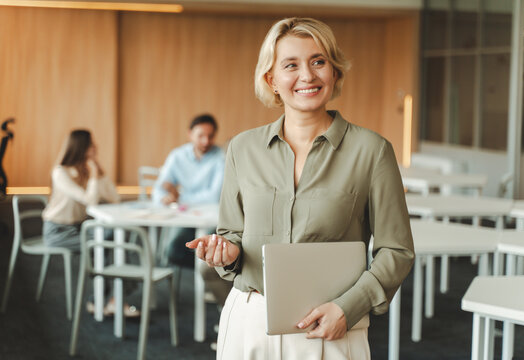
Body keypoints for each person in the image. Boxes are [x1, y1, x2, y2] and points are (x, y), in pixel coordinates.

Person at [187, 17, 415, 359]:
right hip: (250, 323)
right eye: (291, 65)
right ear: (272, 80)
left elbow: (396, 251)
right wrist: (225, 252)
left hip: (331, 328)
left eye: (318, 62)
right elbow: (232, 234)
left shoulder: (372, 151)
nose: (307, 76)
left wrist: (348, 308)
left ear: (334, 72)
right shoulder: (242, 149)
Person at [42, 129, 139, 317]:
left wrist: (99, 173)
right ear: (81, 147)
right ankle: (109, 300)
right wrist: (94, 175)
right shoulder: (60, 173)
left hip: (80, 228)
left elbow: (114, 198)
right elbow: (90, 200)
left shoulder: (86, 170)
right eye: (91, 144)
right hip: (58, 232)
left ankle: (109, 300)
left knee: (113, 239)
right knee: (107, 243)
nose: (96, 148)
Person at [152, 114, 232, 309]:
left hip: (211, 219)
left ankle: (213, 280)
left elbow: (213, 196)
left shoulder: (220, 157)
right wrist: (165, 197)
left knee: (203, 251)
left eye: (211, 136)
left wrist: (180, 196)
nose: (206, 141)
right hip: (184, 216)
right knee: (172, 251)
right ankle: (210, 281)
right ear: (190, 134)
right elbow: (160, 187)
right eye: (201, 135)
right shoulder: (177, 155)